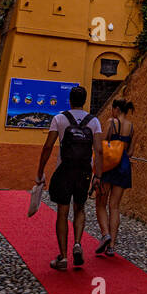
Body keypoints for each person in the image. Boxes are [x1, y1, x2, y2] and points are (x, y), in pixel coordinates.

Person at [36, 85, 103, 271]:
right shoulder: (94, 121)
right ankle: (78, 244)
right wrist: (98, 175)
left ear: (70, 99)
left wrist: (40, 170)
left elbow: (48, 146)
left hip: (64, 170)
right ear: (85, 100)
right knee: (80, 209)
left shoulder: (59, 118)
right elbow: (98, 150)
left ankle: (63, 257)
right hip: (84, 171)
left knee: (62, 213)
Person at [95, 99, 134, 259]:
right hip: (124, 166)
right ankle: (111, 246)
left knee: (101, 203)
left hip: (109, 165)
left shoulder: (112, 122)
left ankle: (105, 235)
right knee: (115, 206)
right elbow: (130, 152)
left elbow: (102, 145)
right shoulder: (132, 127)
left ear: (116, 109)